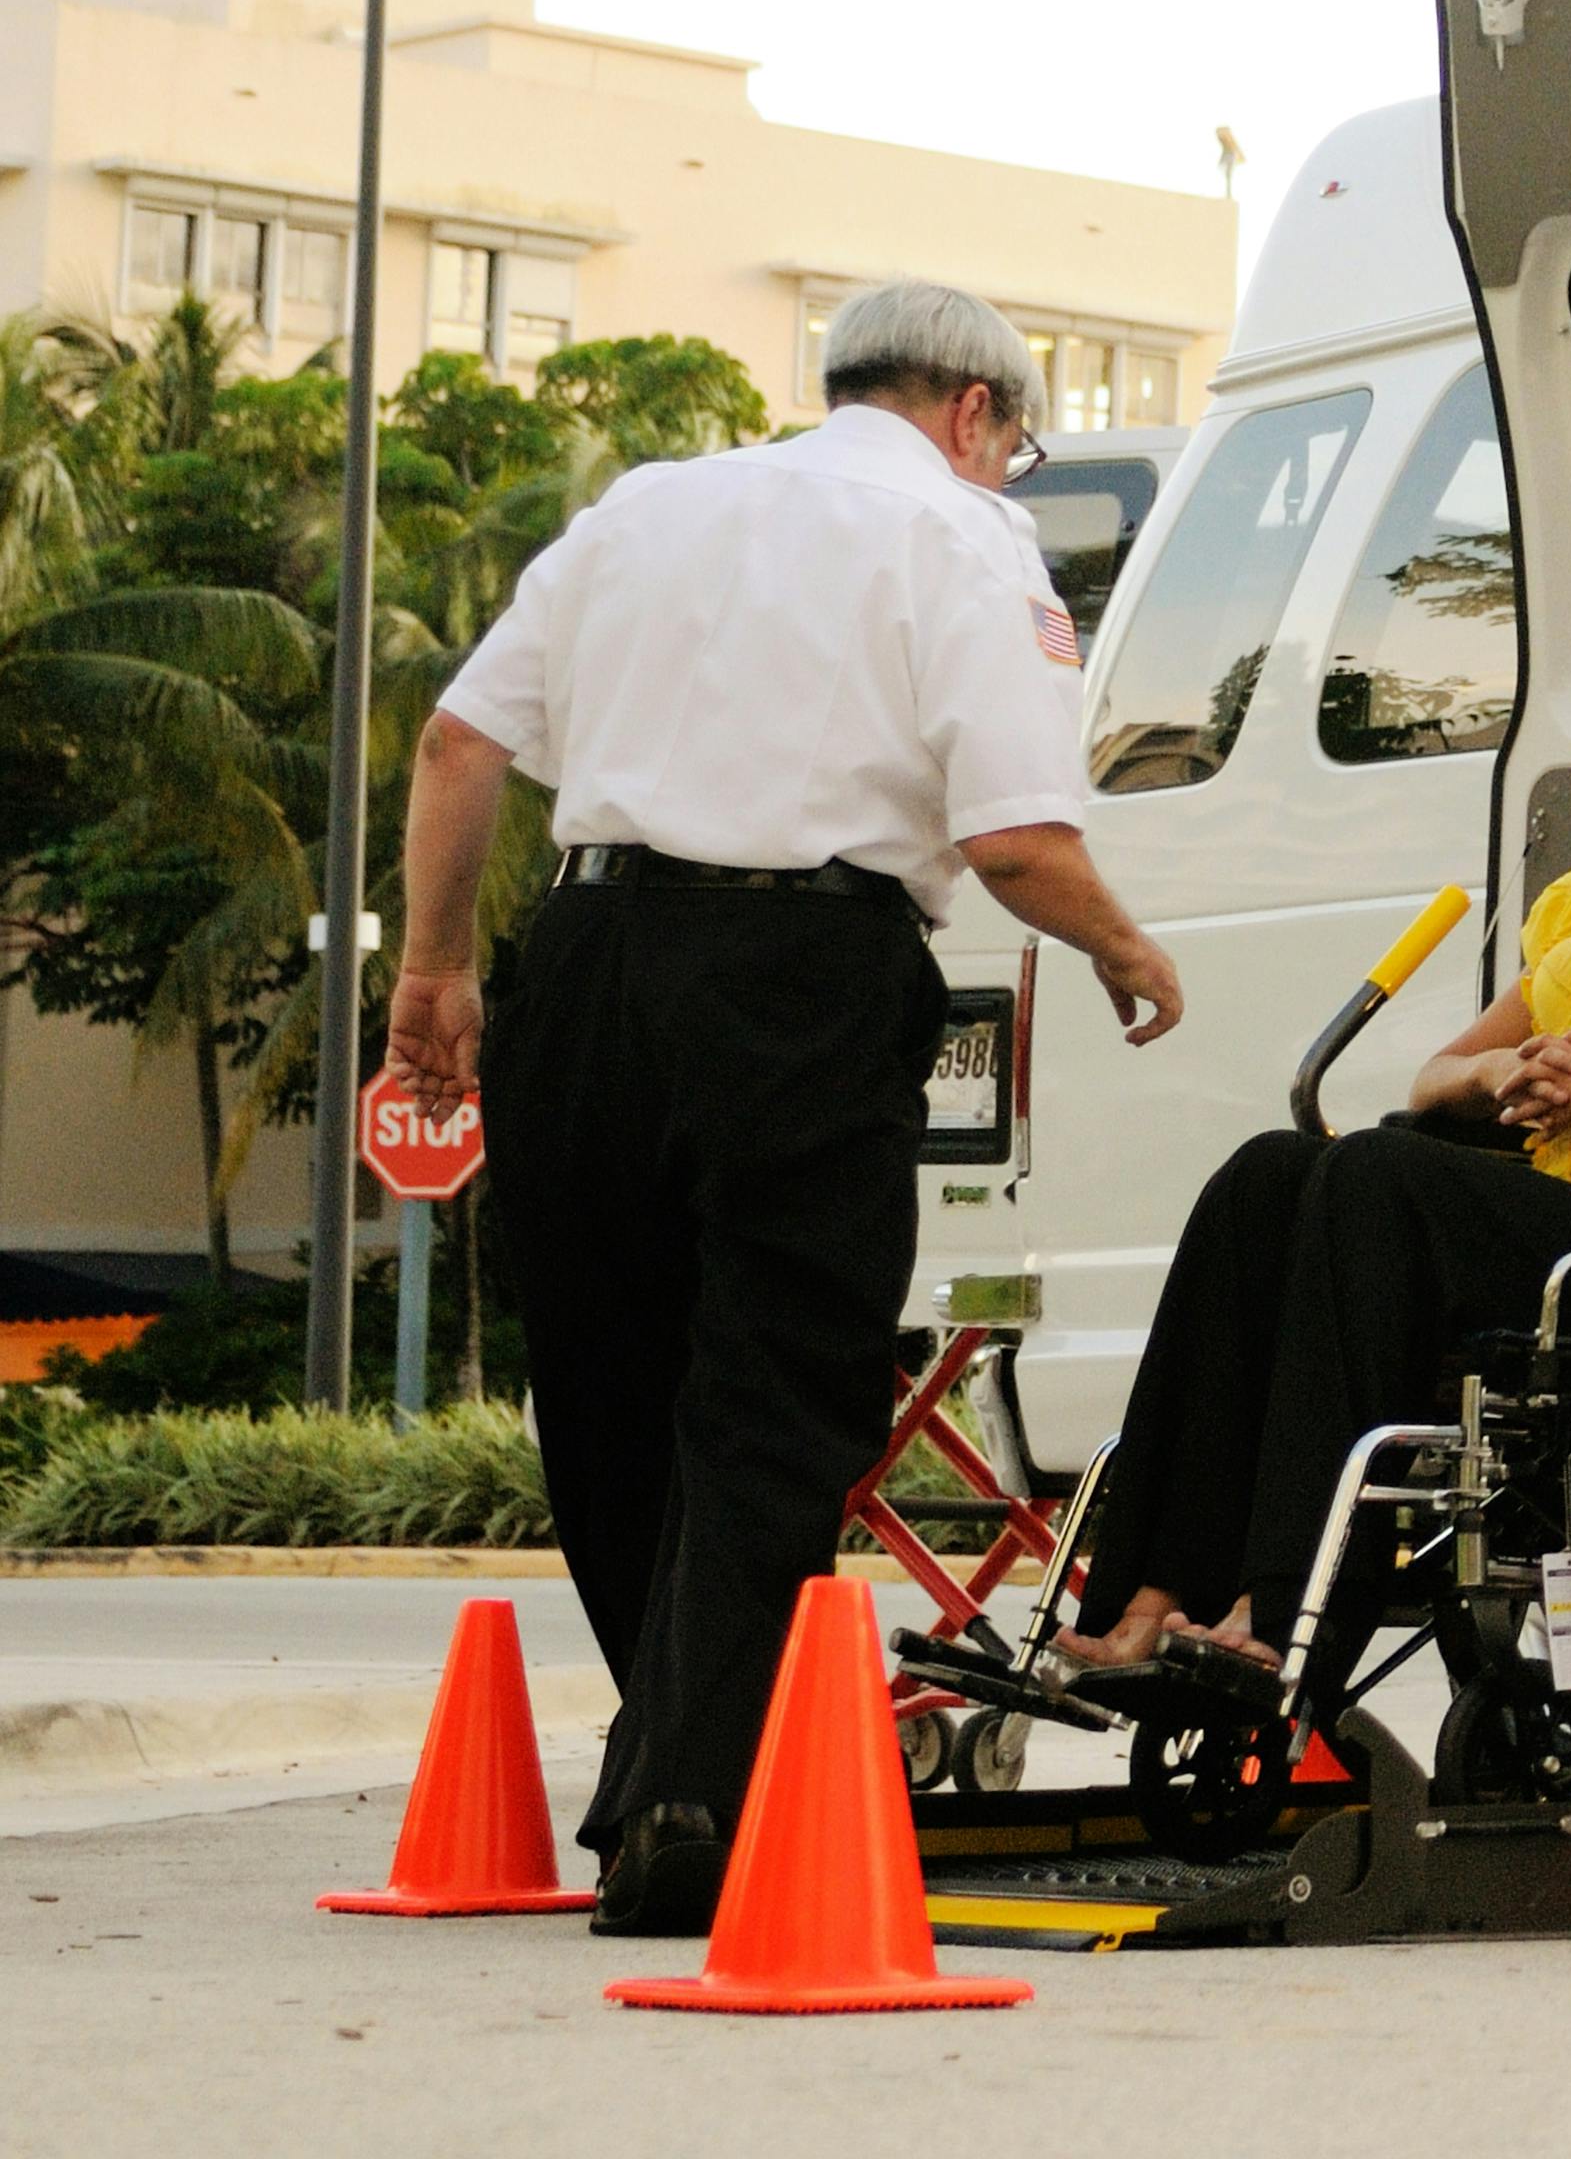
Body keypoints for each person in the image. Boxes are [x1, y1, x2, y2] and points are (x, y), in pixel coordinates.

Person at [384, 278, 1187, 1938]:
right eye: (1016, 447)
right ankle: (694, 1794)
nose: (1010, 476)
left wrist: (436, 976)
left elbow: (462, 747)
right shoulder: (963, 543)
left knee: (613, 1387)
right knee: (775, 1388)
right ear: (973, 414)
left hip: (589, 961)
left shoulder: (645, 511)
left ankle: (663, 1761)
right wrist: (1125, 948)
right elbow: (1022, 838)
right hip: (798, 978)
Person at [1049, 617, 1571, 1688]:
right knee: (1268, 1172)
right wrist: (1509, 1073)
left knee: (1376, 1177)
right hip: (1555, 1211)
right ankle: (1150, 1594)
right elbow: (1434, 1078)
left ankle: (1283, 1605)